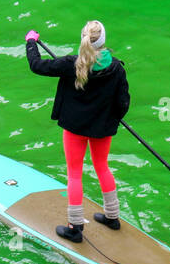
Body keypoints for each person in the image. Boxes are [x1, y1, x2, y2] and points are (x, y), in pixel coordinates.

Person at [25, 20, 130, 240]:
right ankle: (112, 217)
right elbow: (123, 104)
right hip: (102, 128)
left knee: (74, 174)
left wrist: (31, 42)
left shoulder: (71, 64)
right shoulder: (117, 68)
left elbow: (36, 65)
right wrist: (112, 115)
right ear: (103, 41)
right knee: (102, 167)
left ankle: (75, 229)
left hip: (74, 127)